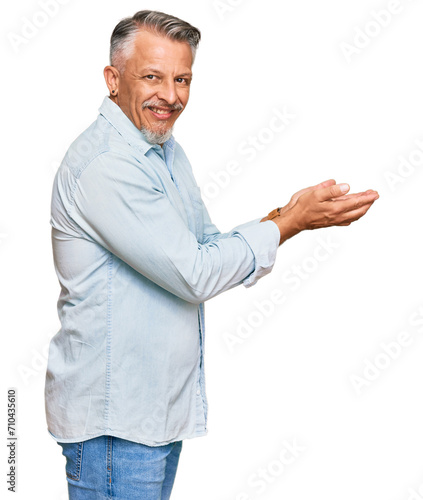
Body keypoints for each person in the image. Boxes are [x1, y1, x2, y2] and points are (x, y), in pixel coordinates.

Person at [44, 10, 379, 500]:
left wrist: (286, 214)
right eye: (153, 77)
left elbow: (204, 246)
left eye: (182, 79)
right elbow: (196, 274)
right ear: (113, 80)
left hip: (151, 416)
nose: (172, 96)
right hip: (116, 425)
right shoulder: (107, 165)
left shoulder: (162, 150)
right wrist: (291, 221)